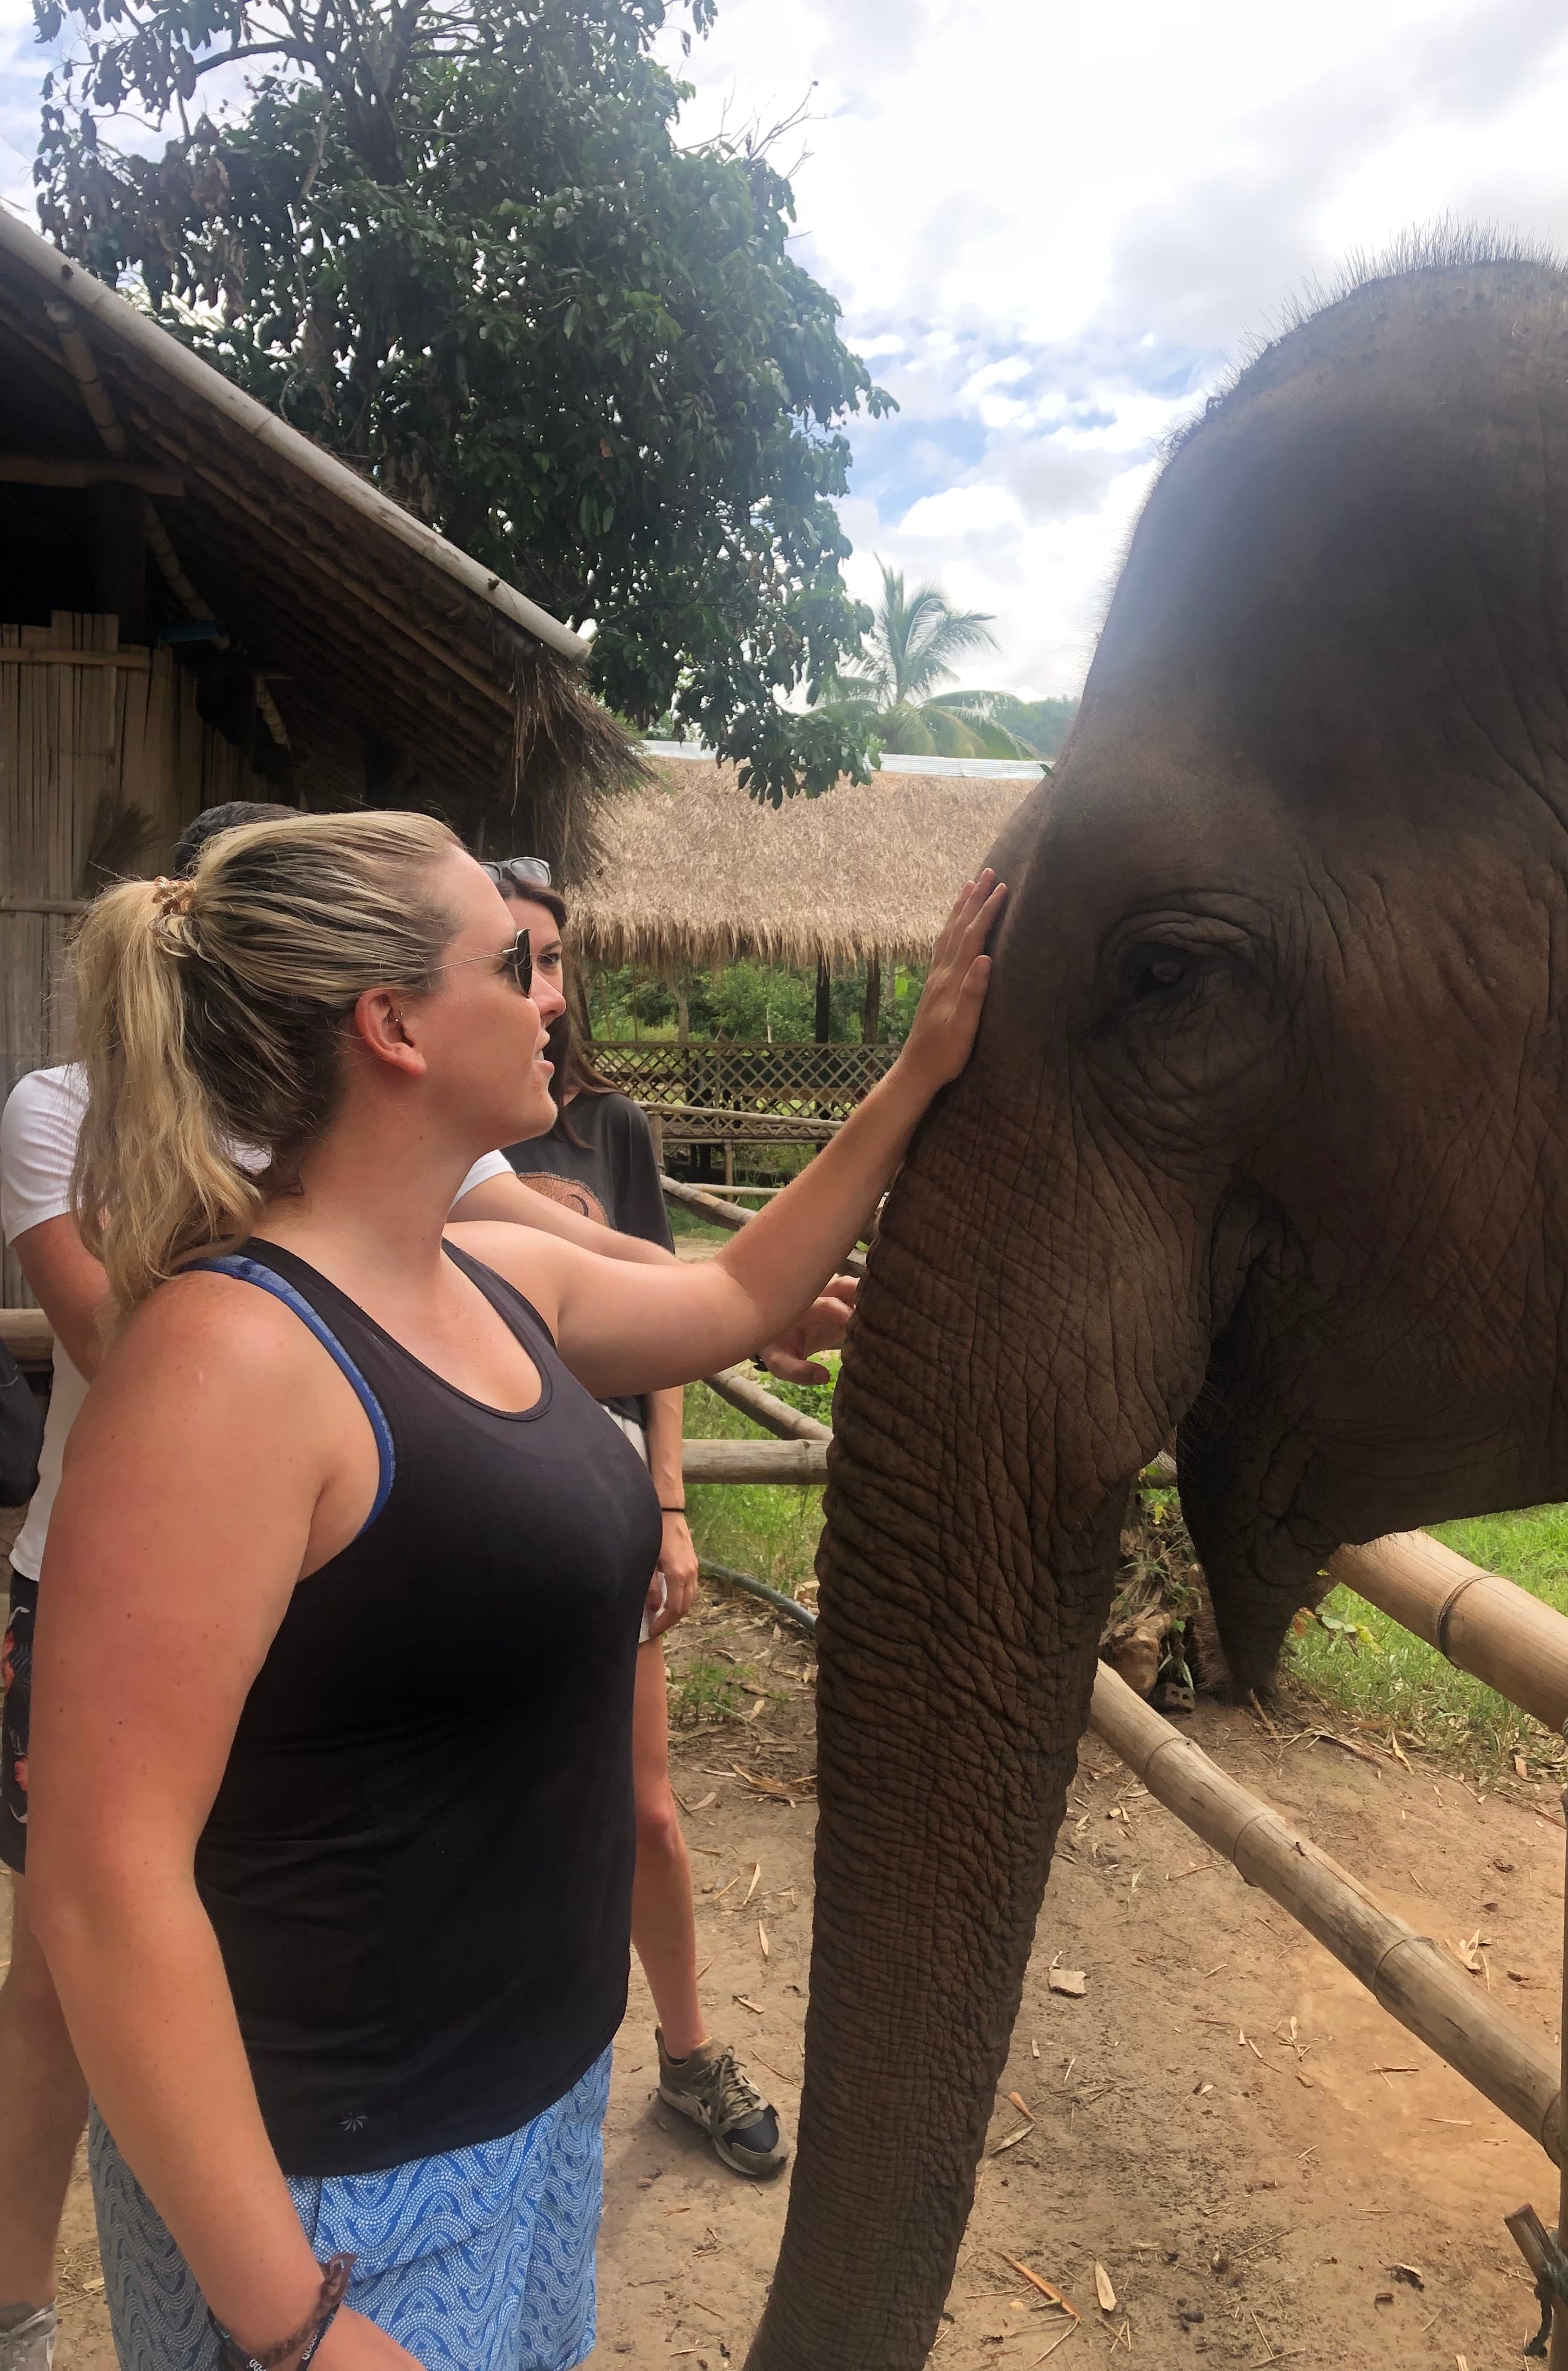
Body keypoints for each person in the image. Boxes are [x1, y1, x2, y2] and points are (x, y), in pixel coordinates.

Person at [26, 809, 1001, 2371]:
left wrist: (919, 1069)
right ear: (395, 1024)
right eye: (516, 961)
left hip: (533, 2096)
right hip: (345, 2179)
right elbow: (99, 1876)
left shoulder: (486, 1275)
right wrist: (293, 2326)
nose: (556, 995)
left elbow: (742, 1291)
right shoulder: (229, 1362)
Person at [488, 859, 784, 2178]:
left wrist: (667, 1505)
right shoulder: (440, 1148)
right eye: (510, 966)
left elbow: (671, 1318)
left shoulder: (604, 1129)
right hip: (476, 1510)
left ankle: (686, 2054)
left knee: (645, 1810)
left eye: (550, 964)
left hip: (593, 1499)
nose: (541, 996)